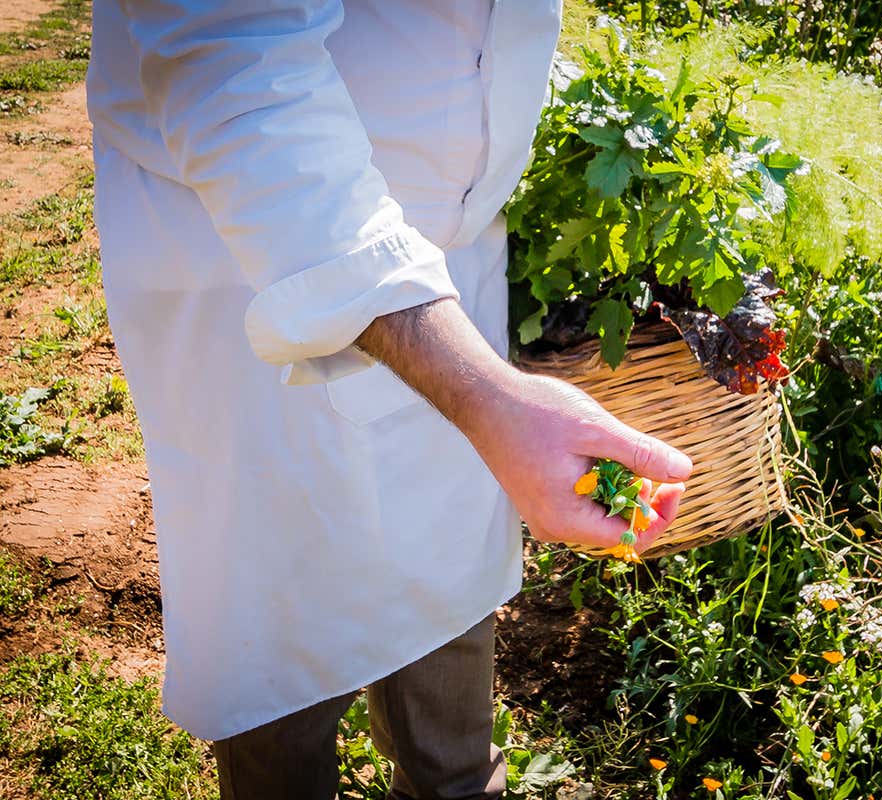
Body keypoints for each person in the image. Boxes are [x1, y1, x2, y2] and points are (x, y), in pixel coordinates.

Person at [86, 1, 692, 798]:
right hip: (253, 244)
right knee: (281, 611)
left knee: (446, 563)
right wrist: (486, 397)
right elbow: (234, 56)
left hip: (455, 258)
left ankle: (457, 780)